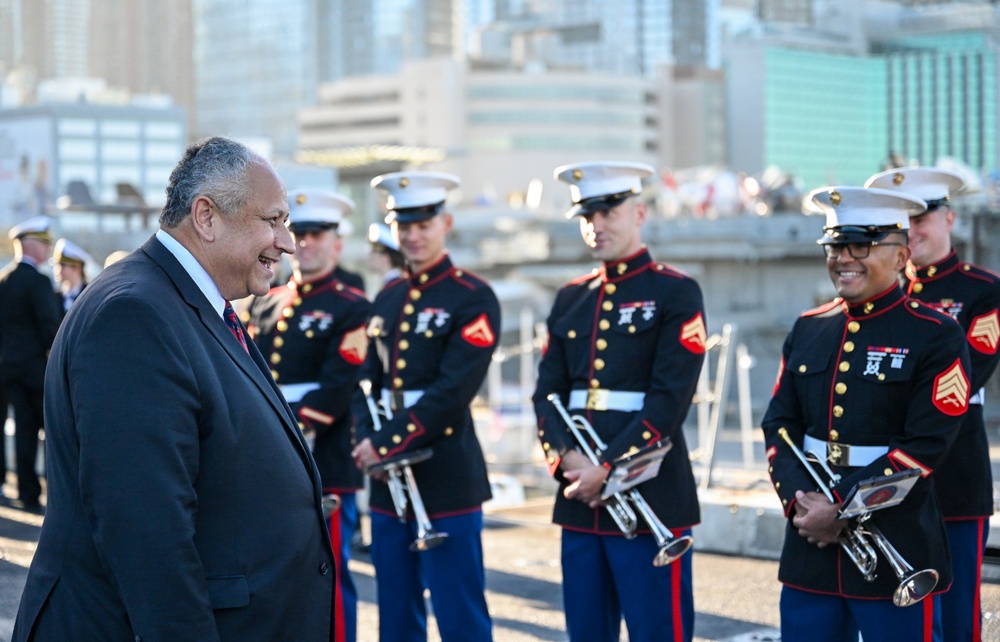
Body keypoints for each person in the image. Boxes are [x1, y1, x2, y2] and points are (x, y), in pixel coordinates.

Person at [12, 136, 336, 641]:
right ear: (206, 217)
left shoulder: (190, 303)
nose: (287, 242)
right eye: (272, 221)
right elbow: (145, 532)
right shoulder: (134, 315)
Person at [762, 185, 970, 642]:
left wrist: (841, 508)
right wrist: (802, 502)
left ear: (901, 256)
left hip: (895, 538)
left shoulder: (937, 334)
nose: (844, 257)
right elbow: (779, 426)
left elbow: (925, 446)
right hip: (809, 547)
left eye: (862, 244)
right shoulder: (808, 327)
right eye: (836, 245)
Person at [532, 161, 705, 642]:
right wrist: (566, 459)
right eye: (587, 216)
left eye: (609, 211)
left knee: (657, 633)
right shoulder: (571, 298)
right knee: (586, 632)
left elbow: (670, 401)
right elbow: (545, 394)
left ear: (640, 211)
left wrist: (605, 468)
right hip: (579, 501)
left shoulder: (676, 291)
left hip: (649, 490)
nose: (597, 225)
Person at [351, 171, 498, 642]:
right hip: (387, 483)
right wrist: (364, 440)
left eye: (423, 224)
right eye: (403, 225)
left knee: (459, 615)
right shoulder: (388, 297)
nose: (412, 235)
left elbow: (453, 392)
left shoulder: (472, 296)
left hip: (446, 472)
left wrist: (385, 443)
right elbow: (365, 380)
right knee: (395, 613)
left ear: (446, 222)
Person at [866, 167, 999, 642]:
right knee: (896, 614)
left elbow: (966, 380)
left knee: (957, 613)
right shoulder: (878, 293)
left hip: (954, 472)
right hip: (887, 473)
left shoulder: (982, 290)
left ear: (950, 219)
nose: (912, 229)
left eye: (922, 216)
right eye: (902, 220)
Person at [244, 187, 370, 642]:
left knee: (329, 580)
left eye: (320, 234)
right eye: (302, 233)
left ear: (337, 242)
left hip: (325, 462)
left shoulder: (353, 305)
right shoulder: (266, 300)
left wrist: (274, 430)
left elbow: (338, 387)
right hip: (267, 459)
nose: (308, 243)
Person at [0, 215, 61, 512]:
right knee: (46, 432)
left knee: (23, 430)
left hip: (8, 369)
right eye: (44, 244)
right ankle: (43, 493)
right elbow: (52, 328)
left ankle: (26, 492)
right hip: (36, 371)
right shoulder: (38, 282)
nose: (48, 251)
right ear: (31, 245)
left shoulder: (4, 280)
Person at [52, 237, 93, 314]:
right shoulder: (54, 296)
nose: (57, 269)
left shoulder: (89, 295)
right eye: (56, 264)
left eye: (62, 265)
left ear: (76, 268)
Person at [367, 222, 405, 288]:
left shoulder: (395, 286)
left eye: (373, 252)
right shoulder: (389, 284)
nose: (369, 255)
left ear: (385, 258)